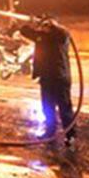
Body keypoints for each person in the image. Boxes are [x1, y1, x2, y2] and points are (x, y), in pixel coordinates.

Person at [20, 14, 75, 147]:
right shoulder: (42, 37)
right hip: (46, 78)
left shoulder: (60, 35)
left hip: (60, 77)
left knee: (64, 108)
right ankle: (50, 132)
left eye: (47, 24)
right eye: (43, 25)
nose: (44, 27)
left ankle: (70, 135)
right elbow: (25, 31)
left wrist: (52, 25)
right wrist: (32, 23)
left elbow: (63, 33)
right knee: (47, 107)